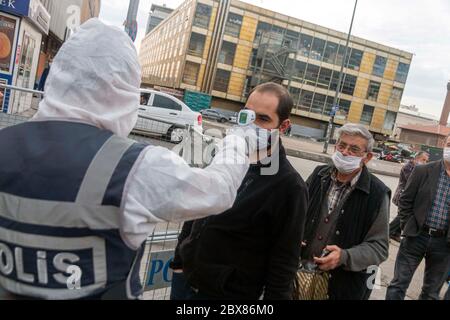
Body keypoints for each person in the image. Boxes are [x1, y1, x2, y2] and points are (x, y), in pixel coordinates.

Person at [0, 19, 258, 300]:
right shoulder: (135, 168)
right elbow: (217, 190)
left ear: (60, 75)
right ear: (123, 89)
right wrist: (239, 140)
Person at [171, 82, 309, 300]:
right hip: (185, 282)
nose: (251, 125)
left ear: (283, 126)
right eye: (247, 115)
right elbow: (200, 209)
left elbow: (284, 260)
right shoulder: (226, 157)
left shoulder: (289, 186)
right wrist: (179, 261)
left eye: (263, 119)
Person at [301, 123, 390, 300]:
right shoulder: (319, 175)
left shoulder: (378, 193)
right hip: (299, 274)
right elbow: (296, 214)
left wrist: (345, 256)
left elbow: (379, 247)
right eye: (342, 145)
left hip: (341, 287)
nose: (345, 152)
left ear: (367, 157)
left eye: (354, 149)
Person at [386, 134, 450, 300]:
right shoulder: (423, 170)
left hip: (444, 244)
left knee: (431, 294)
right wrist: (408, 225)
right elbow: (405, 200)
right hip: (416, 236)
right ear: (444, 144)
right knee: (398, 285)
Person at [389, 152, 430, 242]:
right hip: (402, 194)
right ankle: (387, 232)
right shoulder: (409, 167)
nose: (425, 163)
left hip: (409, 195)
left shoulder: (418, 169)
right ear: (416, 158)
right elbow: (411, 181)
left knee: (402, 214)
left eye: (426, 161)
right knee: (401, 215)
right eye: (423, 160)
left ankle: (395, 234)